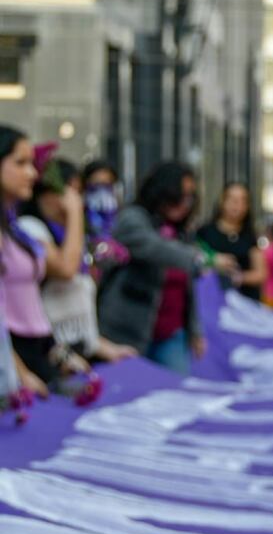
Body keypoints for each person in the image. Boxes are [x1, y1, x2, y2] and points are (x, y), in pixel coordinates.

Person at [98, 161, 237, 374]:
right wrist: (205, 259)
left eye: (190, 197)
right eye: (179, 195)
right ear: (162, 191)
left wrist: (195, 331)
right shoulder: (132, 219)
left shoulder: (182, 233)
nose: (185, 203)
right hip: (125, 334)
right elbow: (157, 249)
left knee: (175, 391)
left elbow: (187, 289)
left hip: (171, 336)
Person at [0, 125, 90, 396]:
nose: (32, 173)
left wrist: (57, 352)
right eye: (20, 163)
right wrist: (19, 372)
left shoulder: (16, 230)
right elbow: (67, 268)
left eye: (32, 164)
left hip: (34, 352)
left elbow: (33, 307)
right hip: (13, 359)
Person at [18, 156, 135, 362]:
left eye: (79, 192)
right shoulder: (29, 228)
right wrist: (75, 213)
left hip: (72, 355)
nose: (77, 199)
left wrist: (106, 348)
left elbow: (79, 316)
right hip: (45, 354)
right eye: (70, 191)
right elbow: (66, 269)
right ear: (45, 193)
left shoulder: (71, 236)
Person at [197, 182, 266, 301]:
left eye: (243, 201)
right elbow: (195, 258)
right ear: (222, 201)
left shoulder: (250, 235)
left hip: (244, 300)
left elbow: (261, 273)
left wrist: (239, 277)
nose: (238, 205)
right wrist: (213, 261)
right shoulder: (205, 232)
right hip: (212, 298)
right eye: (233, 200)